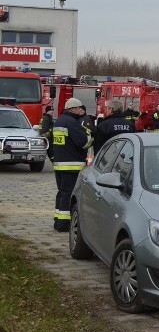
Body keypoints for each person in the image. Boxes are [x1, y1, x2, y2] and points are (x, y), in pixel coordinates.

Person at [51, 98, 93, 232]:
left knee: (62, 192)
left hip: (59, 164)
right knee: (69, 194)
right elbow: (84, 143)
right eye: (79, 108)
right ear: (73, 109)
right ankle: (64, 224)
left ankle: (58, 221)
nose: (81, 111)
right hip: (72, 165)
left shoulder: (59, 121)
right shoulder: (72, 123)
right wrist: (89, 134)